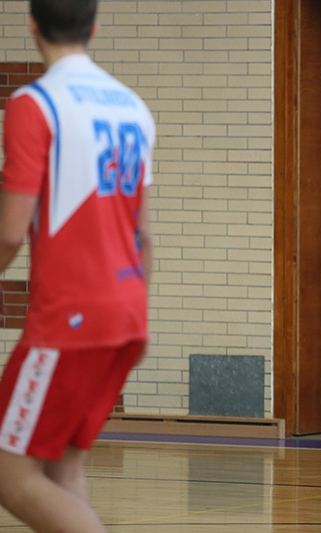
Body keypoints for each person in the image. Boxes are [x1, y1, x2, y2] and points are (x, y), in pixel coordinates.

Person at [0, 0, 154, 530]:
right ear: (95, 26)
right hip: (126, 311)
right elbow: (143, 234)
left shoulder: (34, 103)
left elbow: (9, 232)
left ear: (32, 24)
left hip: (71, 317)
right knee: (62, 468)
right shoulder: (132, 107)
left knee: (9, 473)